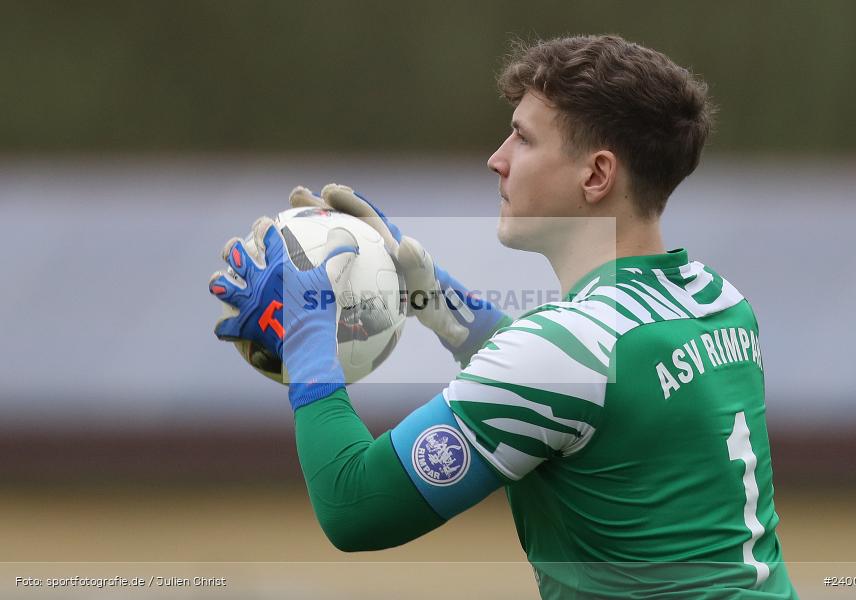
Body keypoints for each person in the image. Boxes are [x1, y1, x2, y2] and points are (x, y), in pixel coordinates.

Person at [208, 35, 798, 599]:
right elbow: (585, 392)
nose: (497, 159)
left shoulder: (566, 350)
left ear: (596, 175)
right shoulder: (721, 303)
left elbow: (354, 508)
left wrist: (309, 330)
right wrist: (440, 304)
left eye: (523, 138)